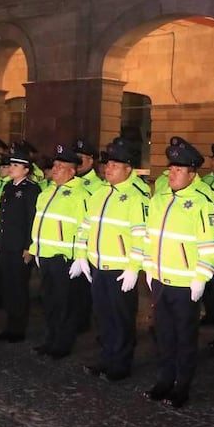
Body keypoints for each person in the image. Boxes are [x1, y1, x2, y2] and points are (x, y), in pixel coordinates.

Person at [141, 137, 214, 408]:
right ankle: (165, 379)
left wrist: (201, 277)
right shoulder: (161, 198)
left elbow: (210, 245)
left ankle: (182, 385)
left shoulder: (202, 202)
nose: (171, 174)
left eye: (178, 170)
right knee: (163, 334)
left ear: (192, 173)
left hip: (186, 283)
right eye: (171, 169)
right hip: (161, 279)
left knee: (184, 337)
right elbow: (150, 237)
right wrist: (149, 267)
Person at [74, 137, 148, 380]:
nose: (108, 169)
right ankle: (106, 357)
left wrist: (133, 268)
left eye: (115, 165)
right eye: (107, 165)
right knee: (103, 316)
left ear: (128, 169)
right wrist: (81, 255)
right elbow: (85, 226)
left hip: (119, 269)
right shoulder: (100, 192)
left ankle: (121, 363)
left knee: (121, 319)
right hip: (98, 266)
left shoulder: (137, 196)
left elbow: (142, 236)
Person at [31, 144, 91, 359]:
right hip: (45, 255)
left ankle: (62, 343)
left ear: (72, 171)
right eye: (54, 165)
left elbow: (84, 227)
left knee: (65, 304)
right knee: (49, 302)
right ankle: (49, 339)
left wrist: (78, 257)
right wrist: (35, 249)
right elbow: (39, 223)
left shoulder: (80, 194)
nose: (54, 169)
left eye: (60, 166)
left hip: (64, 258)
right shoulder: (46, 192)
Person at [0, 146, 41, 342]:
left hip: (20, 247)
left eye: (15, 165)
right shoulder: (8, 187)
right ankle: (9, 324)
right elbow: (2, 218)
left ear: (26, 169)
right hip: (6, 245)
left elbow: (32, 219)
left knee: (19, 287)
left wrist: (30, 247)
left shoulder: (31, 190)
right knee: (8, 286)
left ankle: (18, 328)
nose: (11, 168)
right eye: (11, 165)